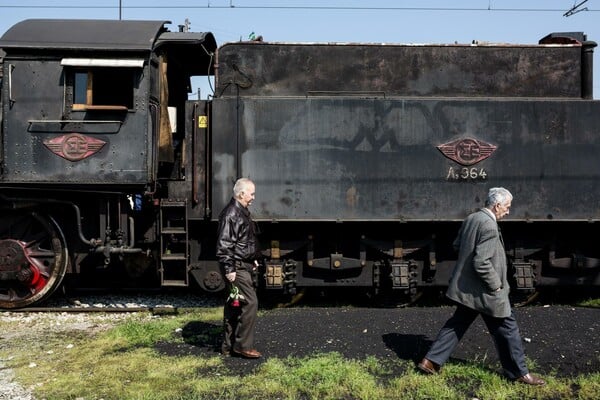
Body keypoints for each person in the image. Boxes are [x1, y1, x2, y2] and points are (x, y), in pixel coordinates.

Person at [417, 187, 545, 386]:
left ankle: (430, 362)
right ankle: (519, 373)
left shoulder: (472, 218)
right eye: (507, 207)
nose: (508, 211)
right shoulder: (489, 226)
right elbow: (481, 262)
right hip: (487, 290)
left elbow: (458, 246)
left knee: (458, 323)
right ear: (497, 205)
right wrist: (496, 286)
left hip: (470, 288)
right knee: (508, 328)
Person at [216, 177, 262, 359]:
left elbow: (244, 241)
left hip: (243, 264)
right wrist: (229, 269)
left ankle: (228, 346)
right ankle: (243, 346)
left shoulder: (240, 212)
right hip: (236, 267)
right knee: (250, 303)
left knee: (234, 305)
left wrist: (254, 259)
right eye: (252, 194)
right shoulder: (232, 214)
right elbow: (224, 244)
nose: (253, 197)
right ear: (242, 194)